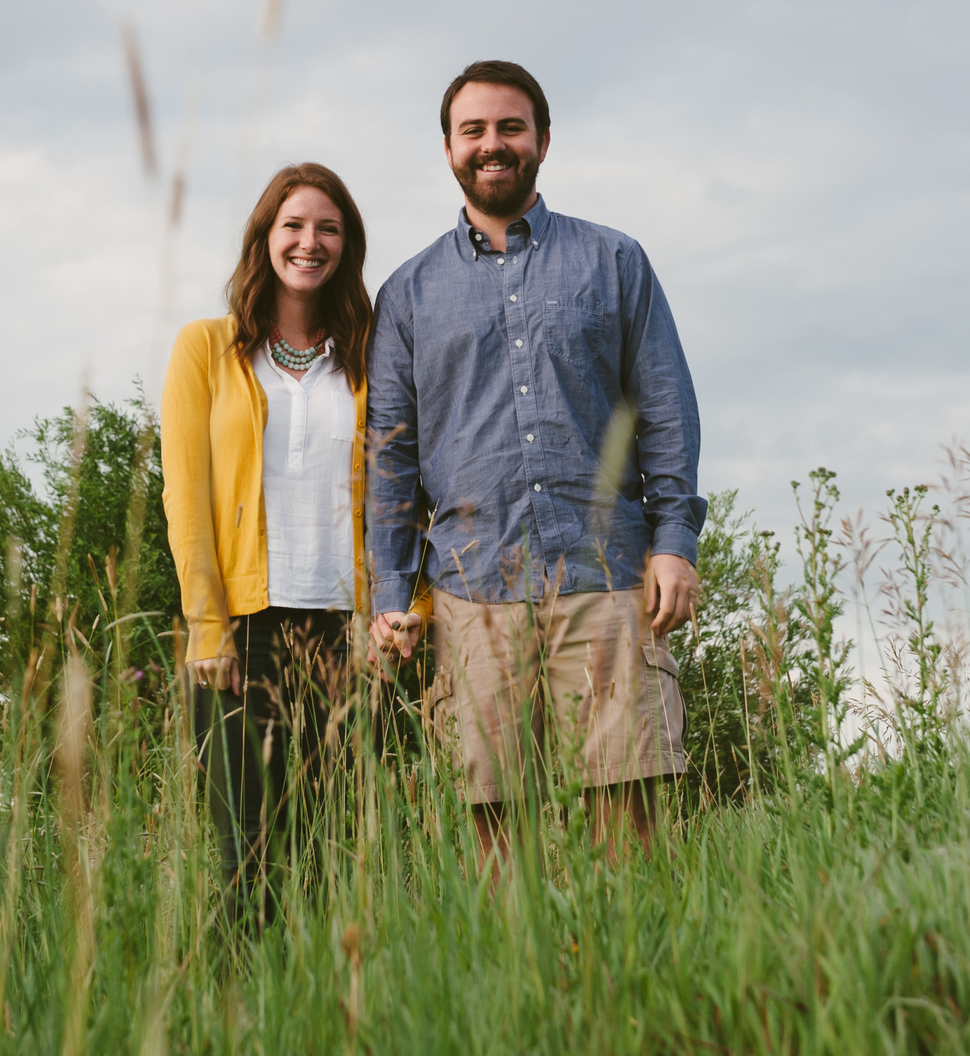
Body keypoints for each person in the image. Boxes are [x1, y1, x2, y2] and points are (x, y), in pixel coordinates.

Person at [366, 60, 705, 862]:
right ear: (447, 148)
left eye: (510, 127)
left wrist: (674, 543)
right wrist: (389, 593)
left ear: (543, 141)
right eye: (473, 130)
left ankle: (632, 986)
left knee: (631, 832)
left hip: (609, 579)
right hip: (470, 596)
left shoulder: (614, 262)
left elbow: (666, 409)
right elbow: (390, 456)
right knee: (496, 841)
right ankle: (518, 986)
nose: (493, 144)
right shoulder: (408, 294)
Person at [160, 162, 428, 927]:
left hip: (352, 638)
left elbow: (422, 488)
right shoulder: (205, 351)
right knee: (246, 855)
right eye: (294, 226)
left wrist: (412, 609)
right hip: (241, 636)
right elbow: (186, 499)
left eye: (329, 229)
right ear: (264, 238)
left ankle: (326, 1032)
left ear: (348, 245)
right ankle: (234, 1035)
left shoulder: (376, 358)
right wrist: (207, 627)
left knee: (336, 854)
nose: (311, 242)